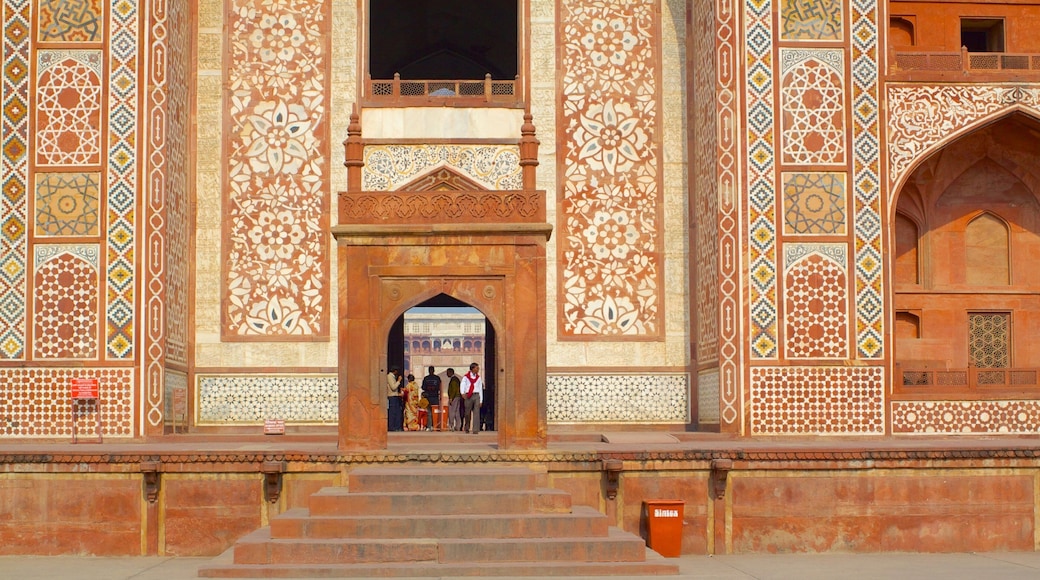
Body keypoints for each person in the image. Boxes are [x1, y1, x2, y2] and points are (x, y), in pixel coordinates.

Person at [460, 362, 483, 434]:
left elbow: (480, 388)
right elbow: (462, 385)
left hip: (476, 395)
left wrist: (481, 400)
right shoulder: (466, 377)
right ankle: (467, 427)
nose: (478, 369)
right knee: (467, 412)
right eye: (477, 368)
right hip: (468, 395)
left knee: (476, 412)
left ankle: (475, 429)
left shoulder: (478, 378)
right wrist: (462, 393)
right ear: (472, 368)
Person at [420, 366, 442, 431]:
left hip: (435, 397)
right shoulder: (426, 378)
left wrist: (434, 388)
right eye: (430, 370)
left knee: (436, 412)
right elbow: (423, 387)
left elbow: (440, 387)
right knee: (429, 412)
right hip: (428, 397)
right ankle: (429, 426)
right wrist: (428, 388)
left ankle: (435, 425)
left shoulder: (437, 378)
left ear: (433, 370)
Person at [386, 367, 404, 431]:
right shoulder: (389, 376)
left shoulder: (392, 377)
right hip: (392, 397)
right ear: (395, 371)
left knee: (397, 412)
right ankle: (392, 427)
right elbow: (393, 387)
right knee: (392, 412)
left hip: (395, 396)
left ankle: (397, 427)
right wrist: (399, 381)